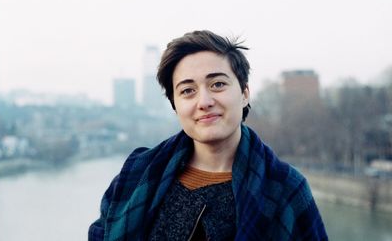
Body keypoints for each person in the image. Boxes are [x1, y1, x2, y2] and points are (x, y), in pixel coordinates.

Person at [88, 30, 328, 241]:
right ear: (175, 105)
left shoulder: (285, 189)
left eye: (218, 85)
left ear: (244, 94)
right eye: (188, 91)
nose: (204, 102)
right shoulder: (136, 174)